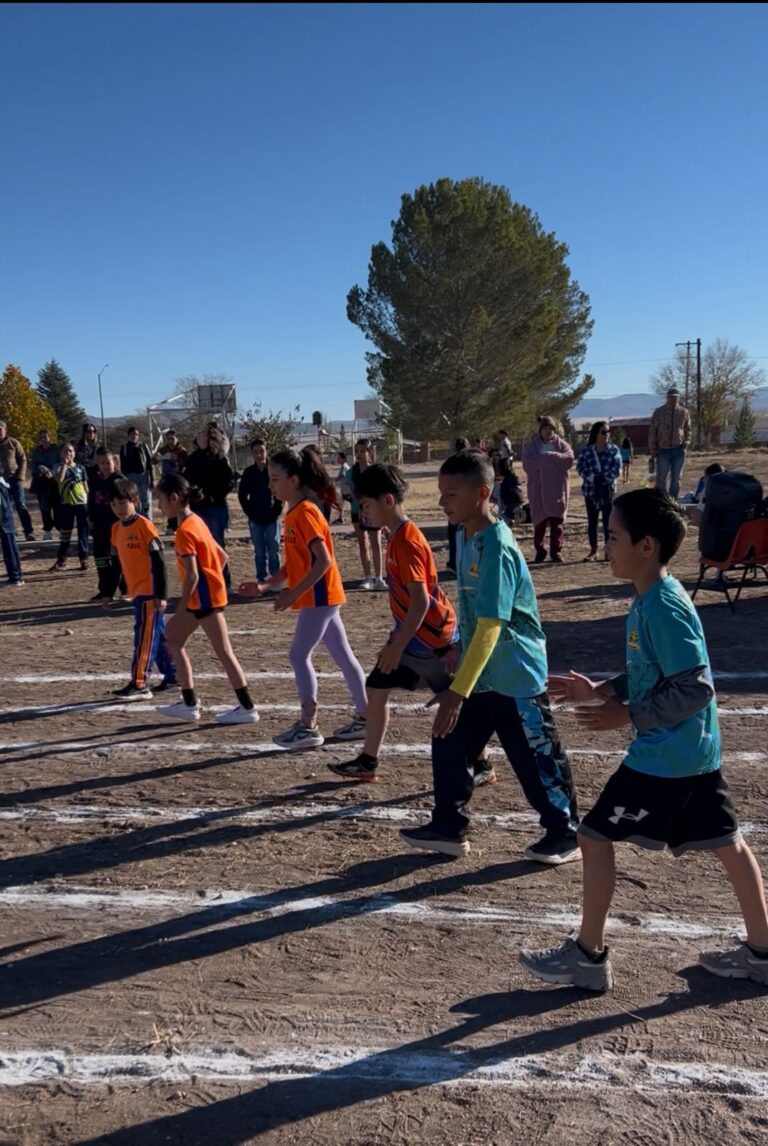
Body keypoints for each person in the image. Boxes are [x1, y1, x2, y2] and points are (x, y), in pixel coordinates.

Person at [519, 487, 768, 990]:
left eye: (613, 537)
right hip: (692, 754)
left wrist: (628, 714)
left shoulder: (663, 607)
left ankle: (589, 957)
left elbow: (696, 688)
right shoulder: (650, 599)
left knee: (592, 837)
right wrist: (604, 690)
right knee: (729, 844)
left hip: (664, 758)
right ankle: (763, 954)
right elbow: (655, 671)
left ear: (647, 545)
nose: (606, 545)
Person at [399, 449, 580, 863]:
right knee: (449, 739)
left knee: (534, 755)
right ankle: (448, 827)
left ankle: (566, 834)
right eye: (441, 493)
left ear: (482, 493)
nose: (442, 502)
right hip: (481, 673)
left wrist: (457, 691)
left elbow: (493, 624)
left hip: (515, 673)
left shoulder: (497, 546)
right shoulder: (465, 536)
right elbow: (473, 611)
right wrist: (460, 649)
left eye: (451, 494)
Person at [327, 462, 495, 787]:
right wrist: (394, 642)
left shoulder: (407, 541)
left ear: (387, 501)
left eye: (366, 505)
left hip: (434, 641)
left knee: (455, 701)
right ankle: (368, 761)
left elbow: (420, 603)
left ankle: (482, 763)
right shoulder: (395, 538)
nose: (363, 512)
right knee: (376, 688)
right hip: (412, 639)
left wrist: (397, 646)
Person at [238, 448, 368, 750]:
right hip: (322, 596)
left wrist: (292, 593)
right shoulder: (295, 513)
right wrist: (265, 585)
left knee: (299, 656)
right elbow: (295, 563)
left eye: (275, 479)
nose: (270, 485)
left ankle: (309, 726)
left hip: (319, 596)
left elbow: (322, 561)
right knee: (342, 656)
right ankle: (366, 716)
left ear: (294, 480)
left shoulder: (305, 513)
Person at [154, 473, 258, 725]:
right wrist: (214, 583)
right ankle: (189, 703)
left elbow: (192, 576)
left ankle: (246, 707)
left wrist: (181, 610)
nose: (158, 506)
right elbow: (222, 556)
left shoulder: (184, 531)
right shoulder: (196, 521)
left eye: (160, 500)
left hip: (202, 600)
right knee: (174, 640)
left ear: (174, 498)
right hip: (206, 598)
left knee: (221, 651)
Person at [108, 478, 177, 700]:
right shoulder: (116, 529)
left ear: (135, 501)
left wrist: (161, 594)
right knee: (159, 636)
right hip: (137, 592)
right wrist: (108, 592)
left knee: (144, 637)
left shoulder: (145, 526)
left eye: (123, 503)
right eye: (114, 504)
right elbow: (116, 565)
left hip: (150, 592)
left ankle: (139, 683)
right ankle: (174, 676)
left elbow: (159, 563)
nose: (118, 508)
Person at [183, 426, 236, 591]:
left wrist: (214, 496)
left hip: (214, 508)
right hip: (197, 508)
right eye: (199, 433)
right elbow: (186, 481)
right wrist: (192, 494)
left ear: (210, 438)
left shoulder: (218, 458)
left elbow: (229, 481)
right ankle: (205, 581)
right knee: (199, 545)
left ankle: (223, 581)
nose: (199, 436)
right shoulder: (192, 458)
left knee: (217, 544)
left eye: (203, 434)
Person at [522, 416, 574, 563]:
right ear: (541, 430)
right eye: (545, 428)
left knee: (557, 522)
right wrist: (545, 461)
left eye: (551, 428)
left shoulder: (561, 444)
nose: (548, 431)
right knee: (539, 523)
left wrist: (550, 457)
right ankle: (540, 551)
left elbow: (569, 459)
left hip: (557, 488)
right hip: (538, 489)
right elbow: (527, 463)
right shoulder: (533, 446)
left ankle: (556, 551)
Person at [238, 438, 282, 585]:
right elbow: (242, 495)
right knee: (259, 551)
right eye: (255, 452)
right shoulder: (249, 473)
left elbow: (280, 492)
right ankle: (261, 578)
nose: (259, 455)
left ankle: (275, 578)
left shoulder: (273, 470)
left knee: (274, 550)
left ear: (266, 451)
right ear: (252, 454)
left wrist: (276, 511)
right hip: (255, 518)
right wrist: (250, 512)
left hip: (272, 517)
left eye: (261, 451)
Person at [576, 421, 622, 562]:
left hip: (607, 491)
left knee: (608, 522)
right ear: (596, 434)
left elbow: (617, 468)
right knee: (592, 521)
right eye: (603, 432)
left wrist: (604, 479)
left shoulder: (613, 450)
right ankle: (593, 550)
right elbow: (580, 467)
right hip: (590, 491)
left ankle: (608, 550)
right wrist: (592, 478)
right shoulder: (587, 451)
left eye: (608, 432)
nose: (606, 434)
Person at [88, 447, 125, 604]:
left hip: (116, 526)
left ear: (114, 462)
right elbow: (91, 501)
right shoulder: (96, 480)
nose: (104, 466)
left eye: (107, 462)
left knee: (119, 559)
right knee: (101, 559)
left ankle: (125, 589)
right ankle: (104, 590)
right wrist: (91, 518)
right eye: (101, 463)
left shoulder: (120, 481)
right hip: (99, 526)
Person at [350, 439, 386, 590]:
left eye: (362, 451)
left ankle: (379, 578)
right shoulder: (353, 472)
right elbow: (352, 491)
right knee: (362, 543)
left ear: (370, 452)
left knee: (375, 542)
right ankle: (367, 577)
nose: (359, 454)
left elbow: (380, 491)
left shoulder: (375, 471)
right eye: (357, 451)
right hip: (357, 510)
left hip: (372, 511)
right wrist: (359, 506)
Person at [50, 443, 89, 571]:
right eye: (65, 451)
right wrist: (64, 465)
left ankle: (84, 557)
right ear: (61, 453)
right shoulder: (57, 466)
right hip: (66, 504)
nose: (68, 453)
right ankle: (62, 559)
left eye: (71, 451)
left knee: (83, 532)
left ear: (74, 453)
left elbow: (85, 486)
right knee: (65, 533)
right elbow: (60, 480)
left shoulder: (80, 468)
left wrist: (89, 500)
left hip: (81, 503)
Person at [648, 387, 691, 499]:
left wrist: (686, 442)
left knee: (676, 478)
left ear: (679, 398)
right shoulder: (659, 412)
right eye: (671, 397)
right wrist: (653, 449)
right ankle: (662, 501)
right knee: (661, 478)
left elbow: (688, 429)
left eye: (675, 398)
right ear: (667, 398)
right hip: (663, 450)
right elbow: (653, 431)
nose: (673, 400)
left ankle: (673, 501)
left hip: (678, 449)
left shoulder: (683, 412)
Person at [0, 420, 35, 540]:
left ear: (5, 430)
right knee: (5, 507)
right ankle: (11, 532)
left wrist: (20, 476)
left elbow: (22, 459)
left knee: (20, 504)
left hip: (15, 478)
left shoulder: (14, 443)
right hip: (1, 481)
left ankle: (29, 531)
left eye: (0, 429)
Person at [29, 428, 61, 538]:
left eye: (45, 437)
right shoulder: (36, 451)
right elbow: (33, 466)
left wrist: (53, 470)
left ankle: (60, 528)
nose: (43, 439)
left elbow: (61, 462)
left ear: (50, 438)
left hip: (55, 481)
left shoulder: (56, 450)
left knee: (58, 507)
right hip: (42, 482)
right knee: (44, 507)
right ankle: (47, 530)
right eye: (41, 437)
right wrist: (42, 469)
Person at [119, 427, 154, 518]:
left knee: (146, 500)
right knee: (134, 500)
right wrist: (124, 481)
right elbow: (122, 465)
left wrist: (152, 478)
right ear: (128, 435)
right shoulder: (124, 448)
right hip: (131, 477)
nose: (134, 436)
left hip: (143, 476)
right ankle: (137, 520)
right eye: (133, 434)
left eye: (137, 434)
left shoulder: (144, 446)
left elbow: (150, 463)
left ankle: (148, 520)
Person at [446, 437, 470, 573]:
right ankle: (466, 564)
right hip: (467, 501)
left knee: (454, 534)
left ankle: (454, 563)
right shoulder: (472, 462)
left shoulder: (451, 463)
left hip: (454, 502)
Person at [0, 476, 23, 586]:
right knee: (11, 547)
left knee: (9, 548)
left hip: (4, 519)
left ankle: (15, 577)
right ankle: (17, 576)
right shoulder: (3, 482)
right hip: (6, 518)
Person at [75, 423, 100, 487]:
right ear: (84, 433)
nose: (92, 433)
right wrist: (91, 462)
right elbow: (78, 460)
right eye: (89, 431)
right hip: (83, 475)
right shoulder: (79, 446)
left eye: (94, 431)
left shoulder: (98, 446)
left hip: (96, 475)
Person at [335, 451, 353, 525]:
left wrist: (334, 479)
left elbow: (343, 476)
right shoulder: (343, 466)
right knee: (341, 503)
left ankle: (356, 517)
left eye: (339, 458)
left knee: (350, 503)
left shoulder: (345, 467)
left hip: (347, 490)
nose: (337, 460)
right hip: (344, 489)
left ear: (343, 459)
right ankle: (341, 518)